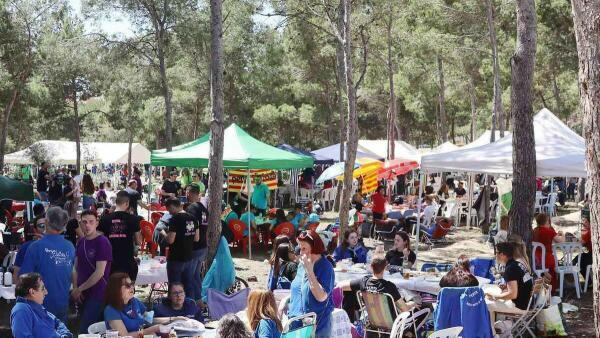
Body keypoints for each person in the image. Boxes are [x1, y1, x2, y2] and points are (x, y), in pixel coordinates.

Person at [19, 207, 75, 321]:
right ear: (63, 225)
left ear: (46, 222)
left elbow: (23, 278)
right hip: (62, 303)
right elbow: (72, 271)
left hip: (39, 305)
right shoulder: (69, 246)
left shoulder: (35, 247)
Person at [338, 256, 419, 323]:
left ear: (371, 267)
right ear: (385, 268)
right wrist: (412, 304)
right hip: (391, 325)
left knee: (348, 294)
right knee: (421, 309)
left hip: (371, 322)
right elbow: (404, 309)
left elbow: (340, 286)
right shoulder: (389, 286)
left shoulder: (363, 282)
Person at [72, 210, 113, 333]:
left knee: (85, 330)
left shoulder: (102, 242)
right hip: (82, 293)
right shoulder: (81, 242)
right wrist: (75, 288)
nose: (87, 225)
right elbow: (75, 267)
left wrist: (79, 289)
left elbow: (99, 272)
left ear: (97, 223)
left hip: (97, 293)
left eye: (91, 222)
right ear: (80, 224)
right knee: (90, 328)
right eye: (84, 222)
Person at [289, 229, 334, 337]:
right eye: (300, 248)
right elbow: (299, 289)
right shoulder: (302, 265)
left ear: (315, 248)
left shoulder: (325, 267)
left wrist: (310, 271)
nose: (300, 252)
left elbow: (321, 296)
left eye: (304, 248)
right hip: (296, 325)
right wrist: (286, 301)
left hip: (316, 328)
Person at [10, 273, 72, 338]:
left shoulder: (38, 307)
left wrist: (65, 335)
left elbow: (58, 323)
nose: (46, 292)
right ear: (32, 292)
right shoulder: (21, 309)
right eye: (42, 289)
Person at [99, 194, 142, 280]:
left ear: (116, 203)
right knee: (127, 287)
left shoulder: (104, 219)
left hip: (109, 259)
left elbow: (99, 240)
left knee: (111, 288)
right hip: (127, 259)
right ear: (127, 203)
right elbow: (138, 242)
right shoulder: (133, 219)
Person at [162, 198, 199, 296]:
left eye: (168, 209)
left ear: (172, 206)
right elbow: (196, 238)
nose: (169, 212)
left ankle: (174, 308)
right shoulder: (193, 218)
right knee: (188, 284)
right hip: (189, 256)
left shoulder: (175, 219)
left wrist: (163, 233)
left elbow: (170, 240)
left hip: (176, 257)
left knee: (174, 285)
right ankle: (190, 305)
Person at [485, 242, 533, 310]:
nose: (495, 255)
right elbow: (521, 284)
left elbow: (512, 294)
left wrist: (494, 296)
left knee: (487, 304)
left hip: (520, 306)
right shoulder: (517, 264)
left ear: (502, 254)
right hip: (527, 302)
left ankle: (493, 321)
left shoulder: (510, 269)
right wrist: (507, 286)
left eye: (496, 252)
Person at [185, 183, 209, 301]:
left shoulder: (191, 208)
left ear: (189, 193)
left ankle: (190, 301)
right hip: (203, 246)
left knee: (189, 276)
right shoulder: (204, 209)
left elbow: (190, 228)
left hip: (194, 247)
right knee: (196, 275)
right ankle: (198, 299)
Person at [13, 204, 45, 283]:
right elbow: (16, 274)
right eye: (41, 226)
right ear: (35, 229)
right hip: (31, 289)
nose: (45, 228)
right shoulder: (26, 247)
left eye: (47, 225)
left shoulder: (57, 246)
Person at [532, 213, 564, 290]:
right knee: (554, 266)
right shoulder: (548, 231)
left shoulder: (534, 230)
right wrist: (563, 234)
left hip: (535, 259)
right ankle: (552, 290)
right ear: (546, 221)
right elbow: (561, 241)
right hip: (546, 258)